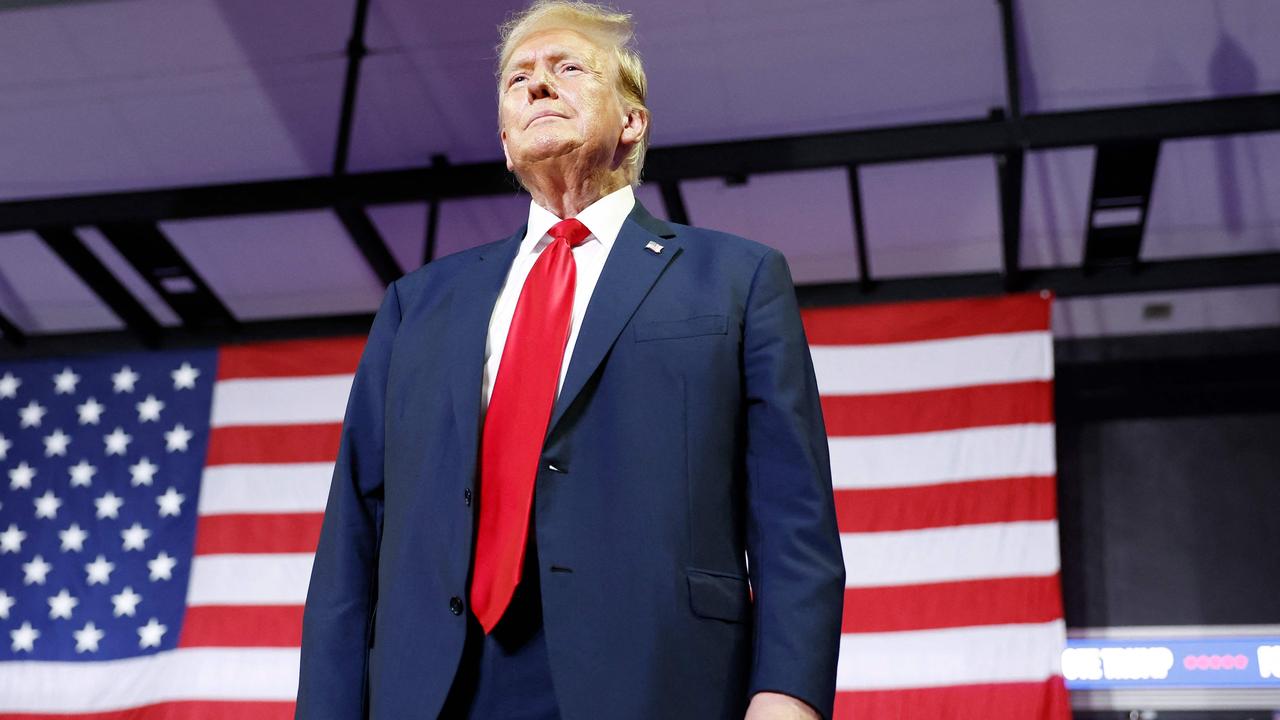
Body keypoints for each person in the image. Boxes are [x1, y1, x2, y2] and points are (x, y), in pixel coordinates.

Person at [295, 2, 845, 719]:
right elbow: (353, 533)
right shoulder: (418, 304)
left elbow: (791, 516)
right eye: (518, 77)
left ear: (631, 122)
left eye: (567, 69)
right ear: (503, 140)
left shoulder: (734, 280)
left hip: (656, 680)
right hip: (435, 688)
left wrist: (788, 694)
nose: (538, 86)